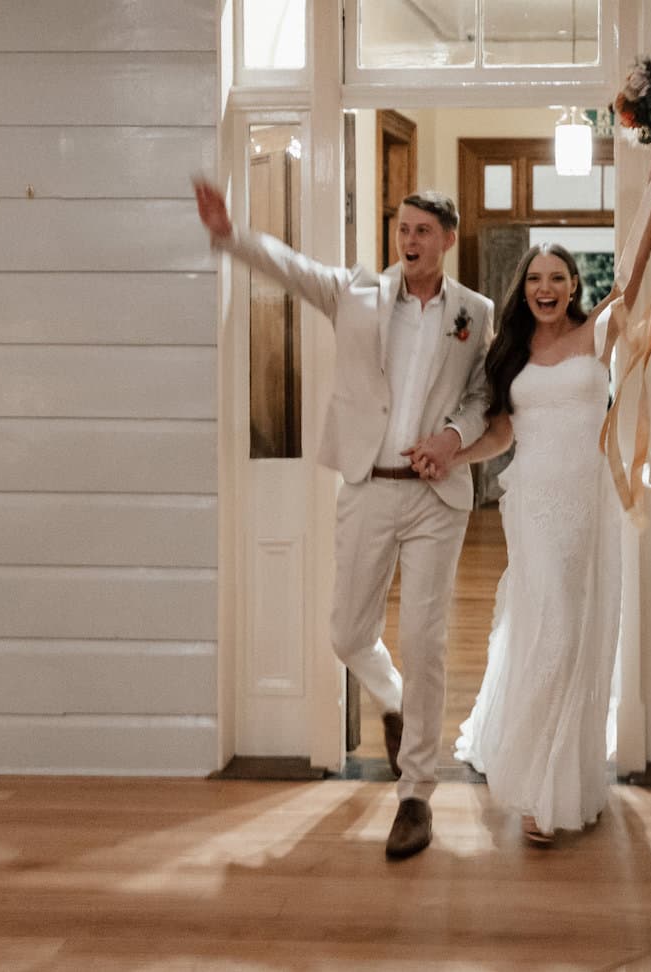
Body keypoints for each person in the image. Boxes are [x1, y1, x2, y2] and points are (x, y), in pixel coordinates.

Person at [193, 178, 494, 859]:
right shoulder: (355, 291)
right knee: (347, 632)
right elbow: (291, 267)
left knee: (425, 638)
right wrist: (232, 232)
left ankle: (416, 791)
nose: (410, 240)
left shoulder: (475, 311)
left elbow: (482, 394)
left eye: (423, 230)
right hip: (365, 485)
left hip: (436, 498)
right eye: (402, 228)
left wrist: (452, 434)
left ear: (447, 239)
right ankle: (391, 699)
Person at [433, 243, 623, 845]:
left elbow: (640, 273)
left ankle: (563, 773)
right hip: (534, 505)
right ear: (525, 287)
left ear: (573, 286)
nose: (546, 288)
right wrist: (452, 456)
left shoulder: (601, 331)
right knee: (554, 627)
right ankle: (539, 787)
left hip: (588, 507)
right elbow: (501, 435)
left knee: (573, 632)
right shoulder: (509, 351)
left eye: (558, 278)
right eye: (536, 278)